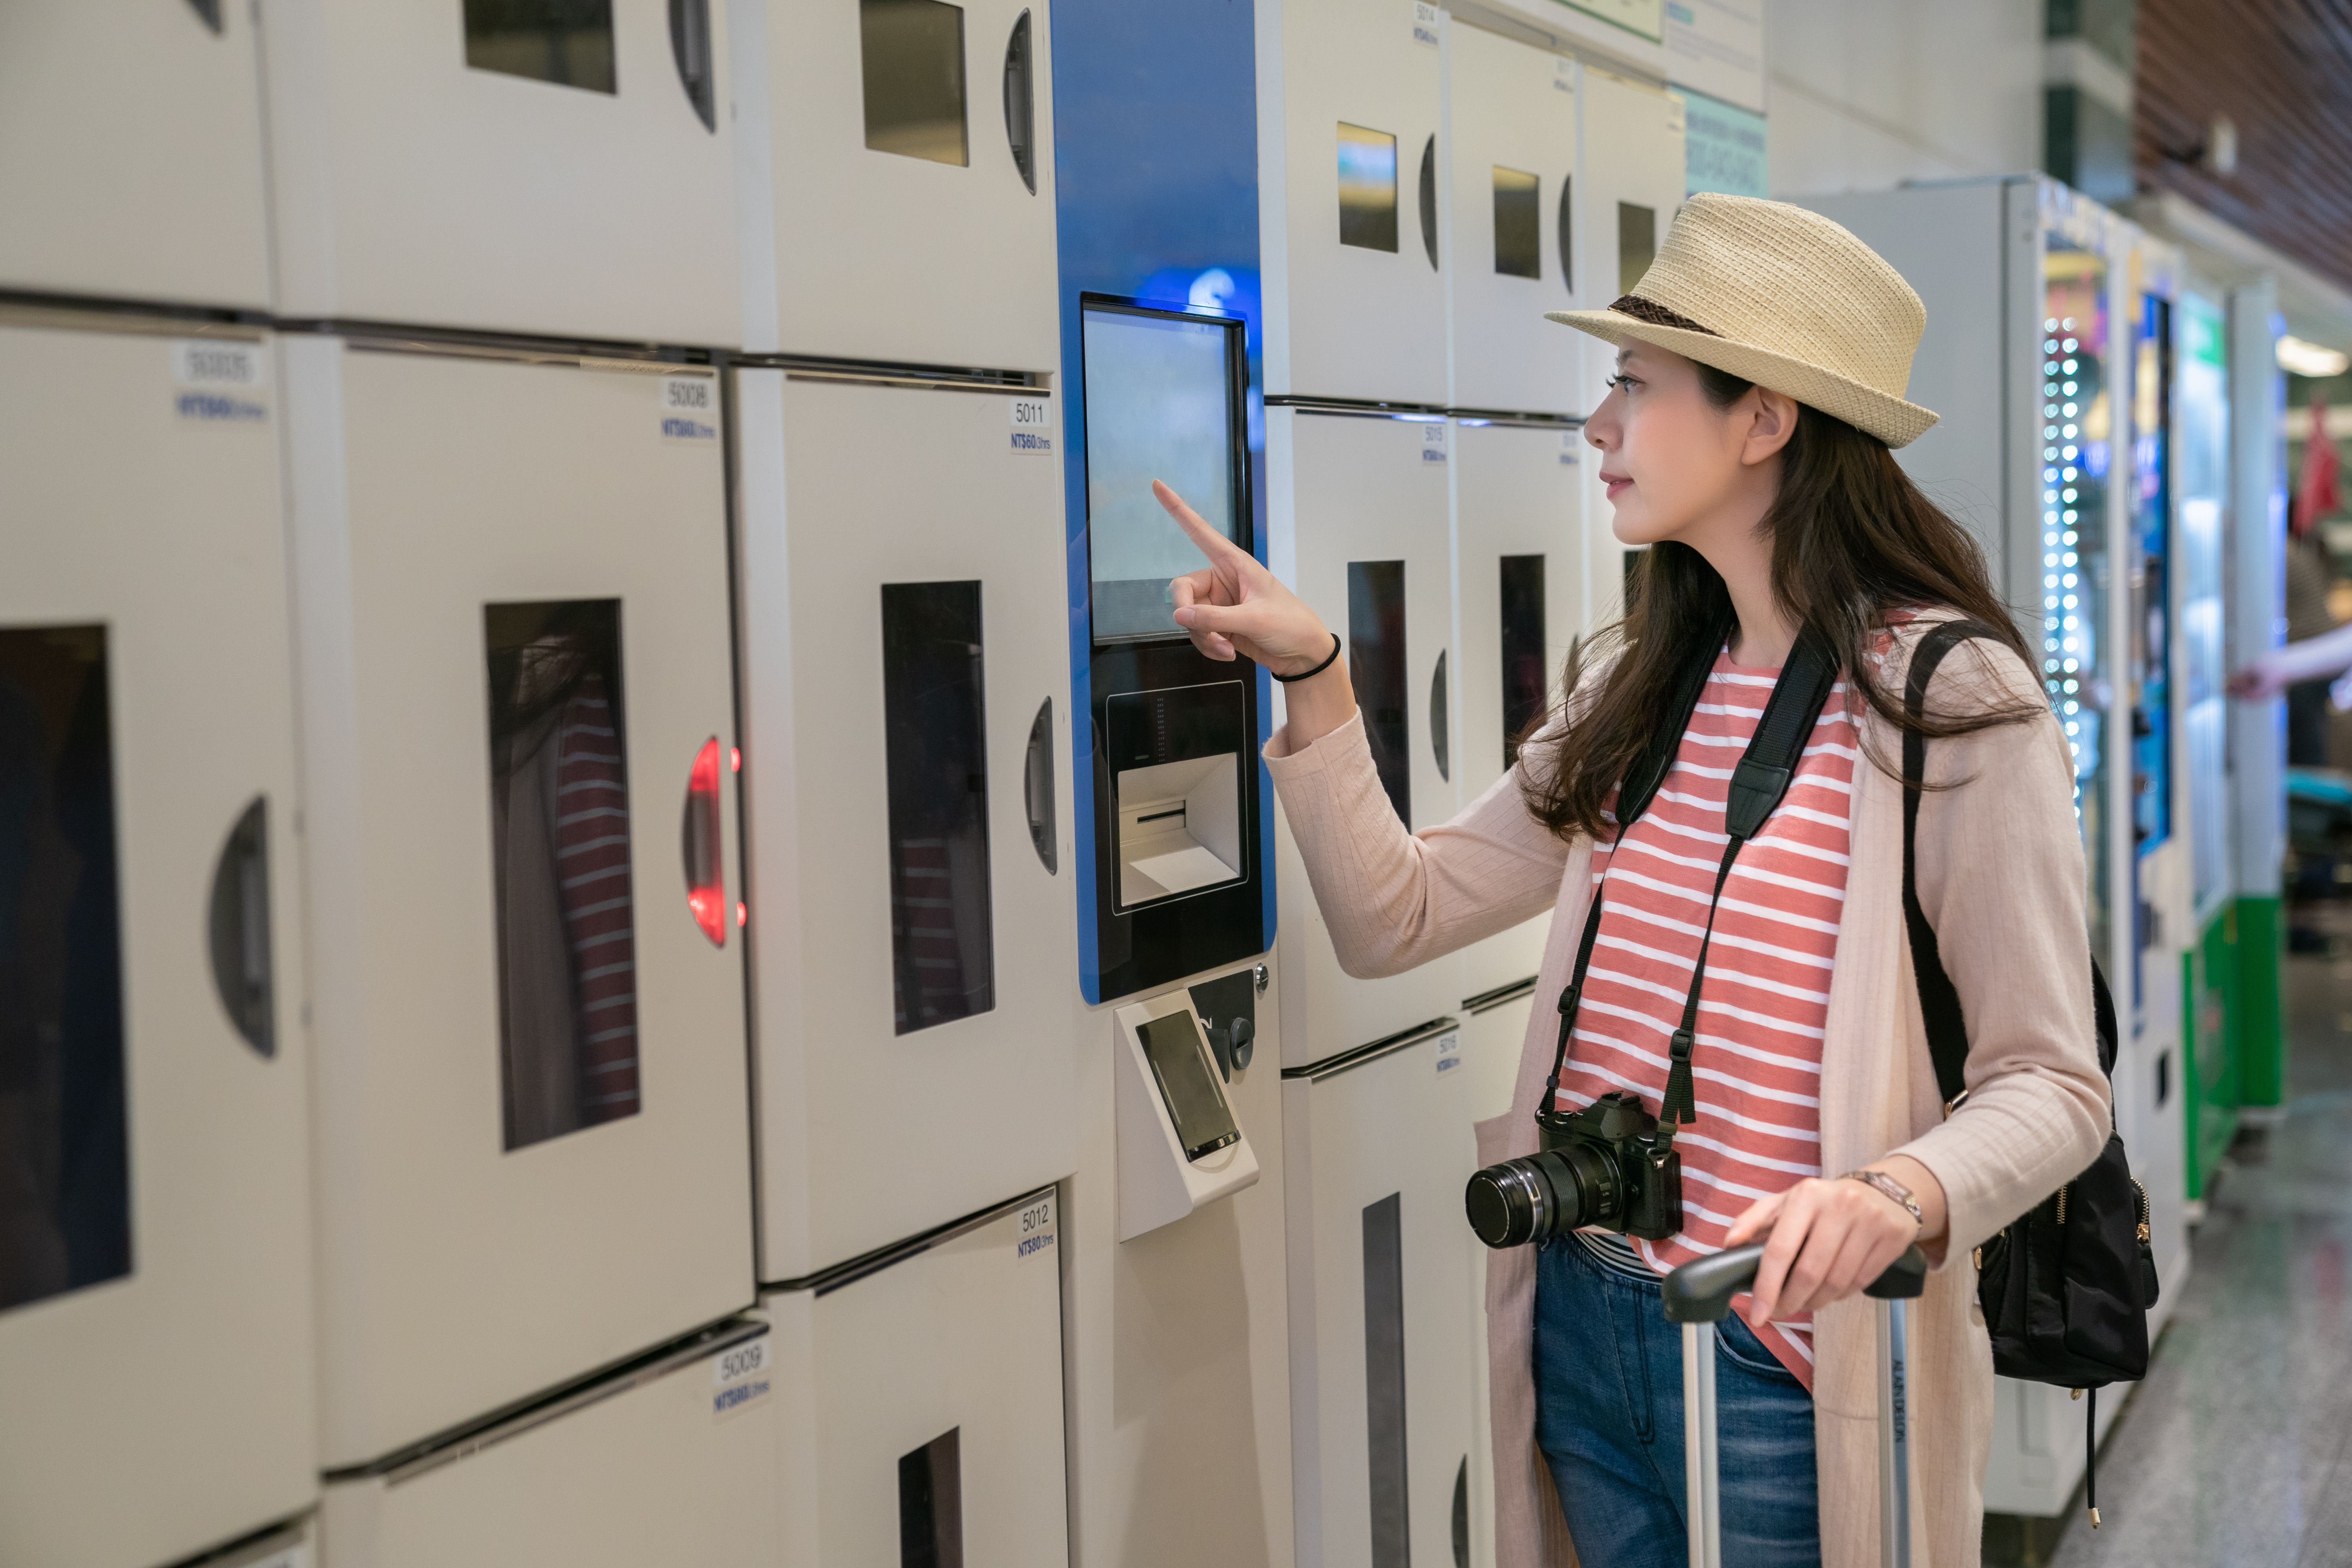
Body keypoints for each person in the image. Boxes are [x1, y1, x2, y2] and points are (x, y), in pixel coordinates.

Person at [1157, 194, 2110, 1568]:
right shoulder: (1641, 684)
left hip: (1784, 1363)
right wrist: (1316, 677)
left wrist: (1895, 1192)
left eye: (1634, 384)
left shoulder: (1947, 701)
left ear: (1766, 416)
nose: (1598, 425)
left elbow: (2053, 1084)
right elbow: (1395, 915)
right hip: (1581, 1320)